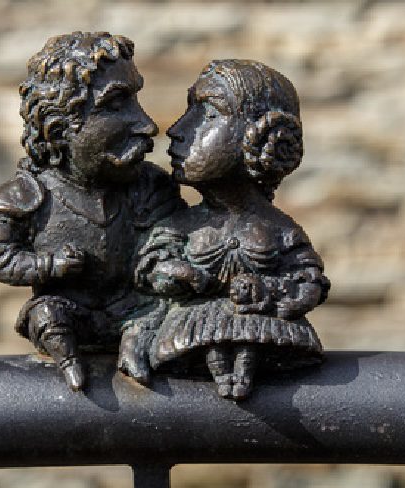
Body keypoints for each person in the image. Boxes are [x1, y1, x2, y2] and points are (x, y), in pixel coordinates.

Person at [0, 32, 183, 390]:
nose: (147, 124)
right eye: (116, 104)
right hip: (71, 310)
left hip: (137, 310)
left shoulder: (150, 188)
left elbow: (173, 241)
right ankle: (70, 361)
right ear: (59, 126)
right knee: (48, 317)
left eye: (135, 100)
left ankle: (135, 349)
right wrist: (49, 265)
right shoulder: (22, 200)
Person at [128, 59, 330, 400]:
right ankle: (225, 374)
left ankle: (243, 372)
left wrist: (280, 294)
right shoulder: (180, 227)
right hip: (191, 334)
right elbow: (151, 268)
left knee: (249, 349)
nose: (176, 130)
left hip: (263, 329)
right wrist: (179, 273)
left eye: (208, 115)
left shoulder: (279, 229)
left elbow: (308, 278)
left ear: (258, 135)